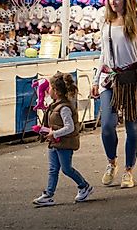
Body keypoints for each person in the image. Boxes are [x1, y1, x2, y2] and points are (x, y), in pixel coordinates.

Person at [92, 0, 137, 189]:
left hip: (132, 79)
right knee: (107, 126)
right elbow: (103, 53)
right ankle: (112, 163)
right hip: (108, 78)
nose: (113, 3)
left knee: (132, 125)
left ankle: (129, 169)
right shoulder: (106, 21)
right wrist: (95, 79)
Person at [32, 73, 93, 207]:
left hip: (65, 143)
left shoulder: (64, 108)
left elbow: (70, 127)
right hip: (55, 142)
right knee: (53, 169)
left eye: (50, 88)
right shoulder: (55, 105)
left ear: (57, 92)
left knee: (66, 169)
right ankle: (48, 194)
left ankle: (84, 185)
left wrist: (54, 133)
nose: (48, 90)